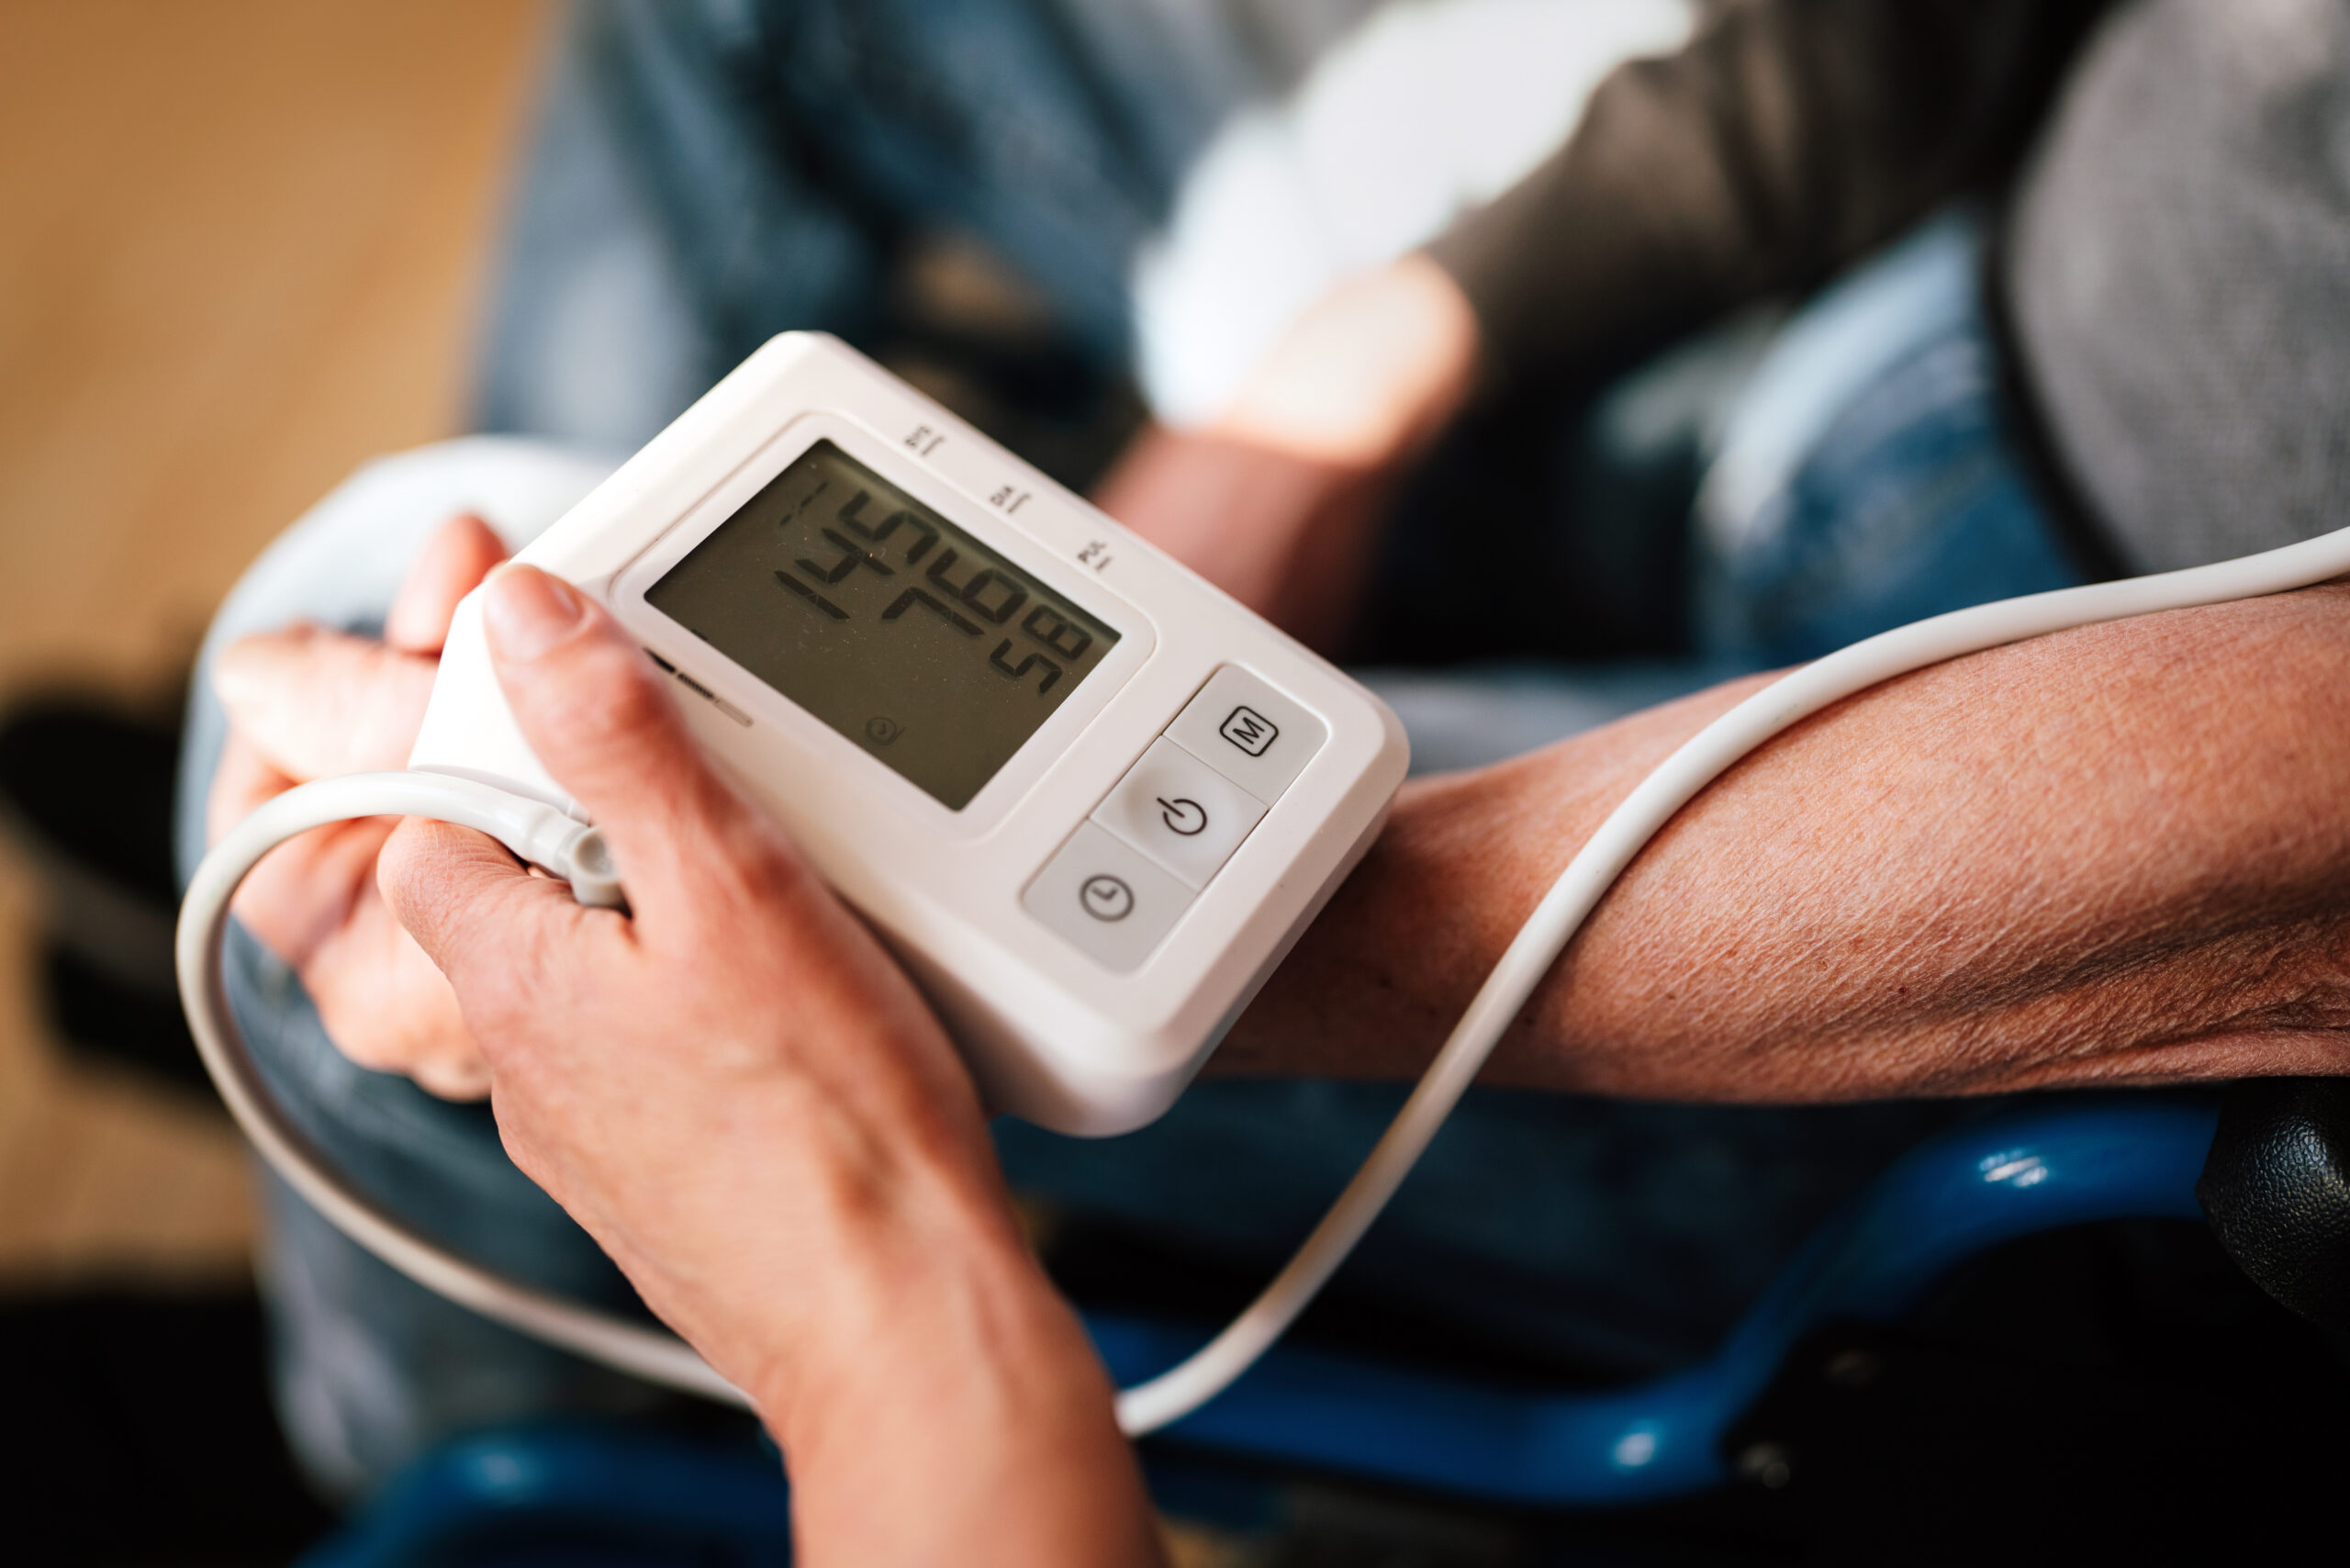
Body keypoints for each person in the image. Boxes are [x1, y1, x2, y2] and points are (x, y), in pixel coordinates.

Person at [183, 0, 2350, 1547]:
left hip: (2058, 848)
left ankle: (469, 1456)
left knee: (361, 687)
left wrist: (1110, 967)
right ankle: (492, 1197)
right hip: (1896, 332)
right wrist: (1350, 378)